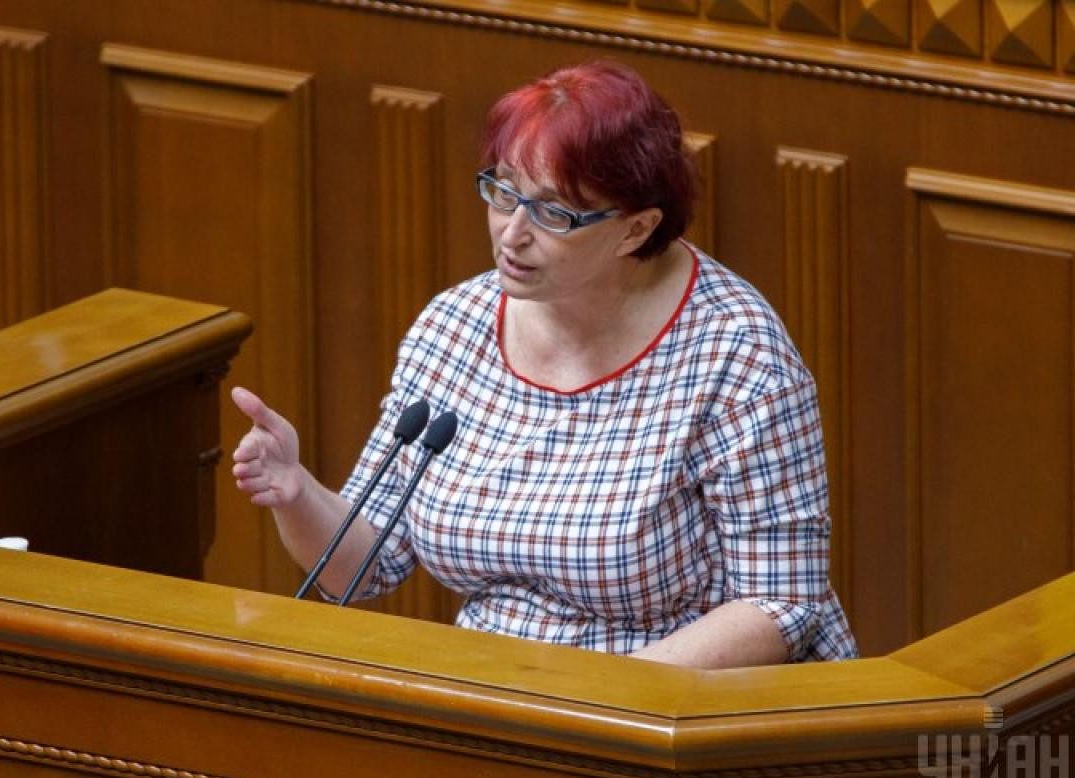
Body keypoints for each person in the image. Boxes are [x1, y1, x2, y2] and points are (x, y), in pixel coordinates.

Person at [231, 60, 857, 667]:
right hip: (499, 694)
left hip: (673, 698)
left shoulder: (736, 354)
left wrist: (601, 699)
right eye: (504, 192)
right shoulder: (455, 327)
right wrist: (297, 492)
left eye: (553, 212)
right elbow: (366, 562)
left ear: (635, 230)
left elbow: (780, 602)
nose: (512, 233)